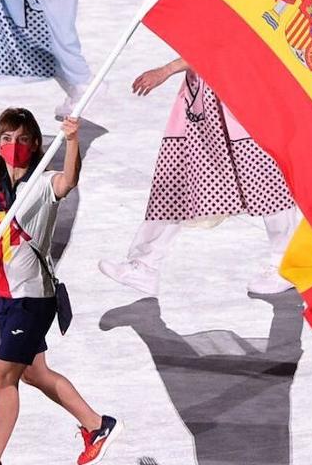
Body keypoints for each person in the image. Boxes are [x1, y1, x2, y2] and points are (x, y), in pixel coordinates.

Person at [0, 108, 120, 465]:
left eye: (23, 140)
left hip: (33, 298)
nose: (15, 146)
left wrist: (73, 140)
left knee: (3, 375)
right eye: (7, 139)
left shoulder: (42, 186)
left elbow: (69, 181)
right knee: (34, 373)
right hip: (6, 299)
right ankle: (97, 426)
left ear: (35, 146)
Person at [98, 59, 299, 296]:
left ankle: (288, 265)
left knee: (265, 182)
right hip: (203, 103)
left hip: (242, 97)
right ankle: (144, 265)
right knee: (177, 182)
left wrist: (166, 70)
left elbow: (218, 43)